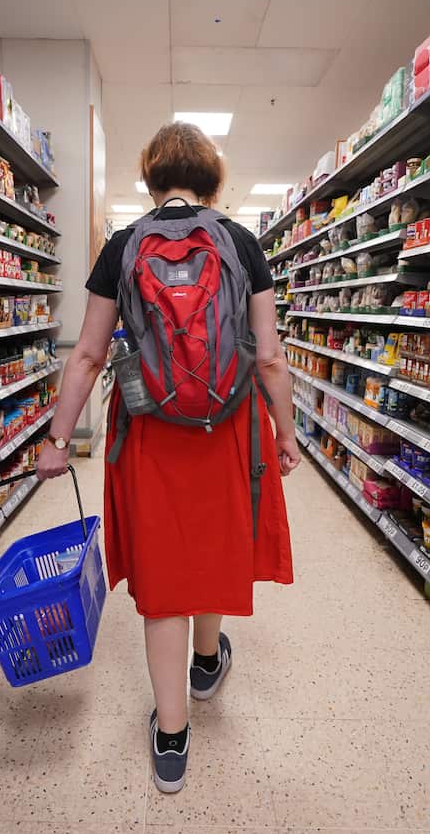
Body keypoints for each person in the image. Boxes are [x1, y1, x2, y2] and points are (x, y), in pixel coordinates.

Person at [35, 121, 298, 793]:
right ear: (213, 179)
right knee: (213, 544)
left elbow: (89, 354)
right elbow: (268, 356)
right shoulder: (241, 242)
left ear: (151, 179)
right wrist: (287, 433)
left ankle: (173, 737)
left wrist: (59, 439)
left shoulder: (123, 245)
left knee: (165, 567)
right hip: (230, 424)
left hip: (150, 427)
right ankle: (207, 664)